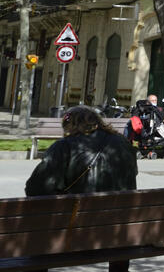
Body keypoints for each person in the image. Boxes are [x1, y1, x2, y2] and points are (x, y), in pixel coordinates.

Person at [26, 106, 138, 272]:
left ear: (71, 125)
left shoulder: (64, 146)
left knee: (39, 228)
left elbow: (35, 188)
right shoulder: (123, 143)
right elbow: (132, 176)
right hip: (118, 232)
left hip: (74, 231)